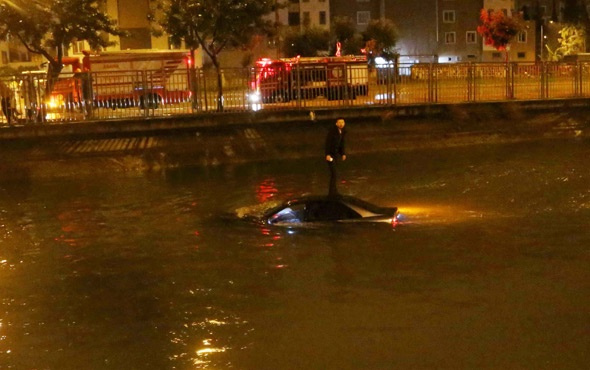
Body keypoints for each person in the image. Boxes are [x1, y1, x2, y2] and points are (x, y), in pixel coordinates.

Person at [325, 117, 347, 196]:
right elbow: (328, 143)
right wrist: (327, 154)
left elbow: (342, 144)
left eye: (342, 122)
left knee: (335, 173)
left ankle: (334, 190)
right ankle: (332, 191)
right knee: (334, 173)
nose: (341, 124)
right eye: (339, 122)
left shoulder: (342, 132)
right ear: (336, 123)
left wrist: (343, 154)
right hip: (330, 155)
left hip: (336, 155)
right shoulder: (332, 132)